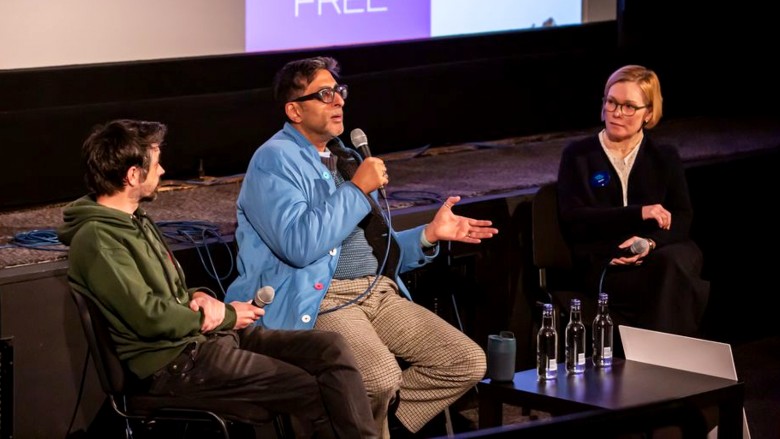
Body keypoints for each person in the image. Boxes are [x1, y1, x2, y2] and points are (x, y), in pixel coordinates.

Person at [225, 56, 498, 437]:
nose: (338, 101)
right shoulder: (273, 159)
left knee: (464, 360)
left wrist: (428, 236)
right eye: (324, 94)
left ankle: (382, 429)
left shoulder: (344, 157)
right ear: (294, 110)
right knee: (380, 377)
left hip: (375, 292)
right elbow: (300, 246)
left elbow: (367, 251)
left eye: (339, 91)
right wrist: (356, 190)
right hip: (321, 298)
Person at [57, 119, 379, 439]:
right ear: (132, 175)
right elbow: (150, 317)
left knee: (329, 348)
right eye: (155, 164)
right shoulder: (99, 240)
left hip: (202, 341)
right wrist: (225, 314)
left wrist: (200, 296)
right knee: (309, 388)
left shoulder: (134, 220)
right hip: (174, 364)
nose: (162, 171)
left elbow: (167, 292)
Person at [556, 65, 710, 350]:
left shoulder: (664, 157)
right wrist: (639, 212)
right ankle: (669, 367)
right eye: (611, 102)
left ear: (648, 113)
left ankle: (658, 365)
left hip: (656, 258)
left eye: (629, 106)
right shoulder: (578, 156)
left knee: (675, 261)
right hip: (607, 266)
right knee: (677, 280)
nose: (617, 112)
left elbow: (683, 218)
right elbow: (575, 217)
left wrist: (649, 242)